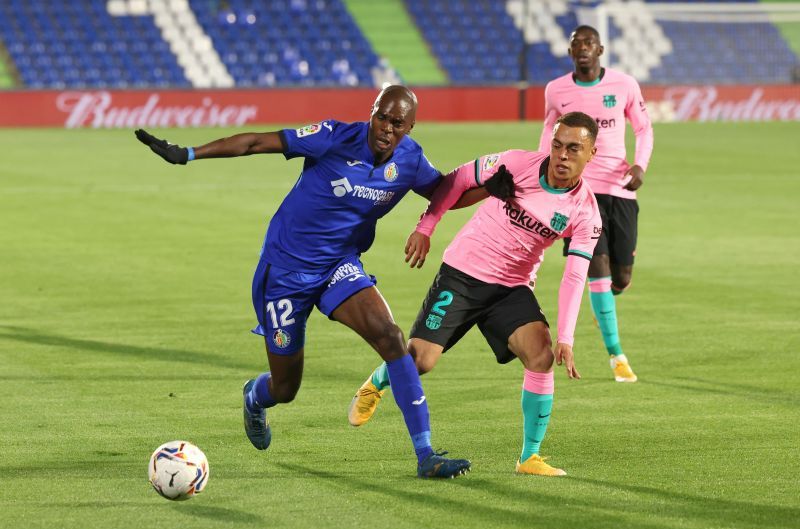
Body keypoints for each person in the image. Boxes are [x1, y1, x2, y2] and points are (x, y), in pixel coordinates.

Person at [134, 85, 470, 479]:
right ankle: (255, 396)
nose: (386, 128)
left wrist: (497, 188)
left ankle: (426, 455)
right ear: (372, 111)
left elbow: (446, 190)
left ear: (410, 127)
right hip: (285, 274)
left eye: (397, 123)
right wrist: (189, 153)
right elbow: (257, 142)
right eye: (381, 116)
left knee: (391, 338)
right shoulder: (334, 137)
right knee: (286, 388)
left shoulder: (411, 161)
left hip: (338, 268)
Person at [348, 112, 602, 476]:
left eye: (573, 149)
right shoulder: (516, 163)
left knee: (541, 356)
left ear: (591, 152)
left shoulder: (586, 212)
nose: (562, 155)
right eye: (557, 145)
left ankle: (529, 457)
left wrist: (566, 337)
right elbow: (457, 180)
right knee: (420, 361)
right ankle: (376, 383)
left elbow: (575, 274)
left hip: (511, 287)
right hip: (464, 274)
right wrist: (427, 226)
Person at [538, 25, 654, 382]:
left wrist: (640, 165)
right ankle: (617, 355)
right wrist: (545, 175)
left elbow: (644, 128)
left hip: (620, 191)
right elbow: (548, 133)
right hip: (579, 195)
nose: (583, 48)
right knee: (597, 271)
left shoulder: (624, 85)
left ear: (600, 49)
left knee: (621, 277)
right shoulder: (556, 90)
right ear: (571, 51)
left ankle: (604, 307)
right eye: (576, 44)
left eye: (588, 43)